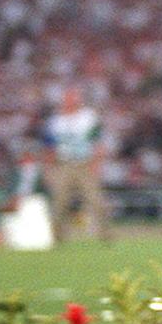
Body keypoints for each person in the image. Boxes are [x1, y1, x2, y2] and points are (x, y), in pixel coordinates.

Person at [42, 87, 109, 244]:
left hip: (84, 163)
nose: (71, 101)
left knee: (95, 200)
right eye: (68, 98)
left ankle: (104, 234)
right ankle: (57, 237)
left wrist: (96, 163)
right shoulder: (55, 121)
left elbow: (98, 142)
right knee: (59, 201)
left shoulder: (88, 118)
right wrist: (48, 169)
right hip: (63, 163)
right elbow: (49, 148)